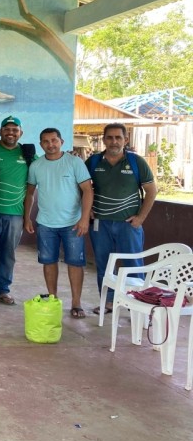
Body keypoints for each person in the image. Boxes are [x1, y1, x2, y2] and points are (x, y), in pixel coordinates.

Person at [85, 123, 157, 314]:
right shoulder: (93, 162)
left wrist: (140, 218)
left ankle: (136, 306)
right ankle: (108, 302)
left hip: (128, 224)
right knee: (104, 265)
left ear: (126, 140)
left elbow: (151, 191)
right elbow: (82, 188)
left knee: (133, 266)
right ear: (104, 140)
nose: (114, 141)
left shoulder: (136, 162)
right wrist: (87, 210)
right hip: (100, 223)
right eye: (110, 137)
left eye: (118, 137)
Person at [25, 128, 93, 318]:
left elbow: (87, 190)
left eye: (54, 140)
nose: (50, 144)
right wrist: (27, 218)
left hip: (73, 224)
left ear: (61, 142)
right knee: (49, 262)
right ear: (41, 145)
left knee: (75, 263)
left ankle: (76, 303)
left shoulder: (74, 162)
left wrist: (84, 218)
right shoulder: (36, 166)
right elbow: (30, 193)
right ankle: (53, 300)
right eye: (46, 141)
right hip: (46, 224)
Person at [0, 115, 35, 308]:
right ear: (0, 131)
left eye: (15, 130)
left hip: (16, 214)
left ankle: (2, 290)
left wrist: (27, 218)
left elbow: (38, 177)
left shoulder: (27, 153)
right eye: (7, 129)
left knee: (8, 254)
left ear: (21, 133)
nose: (11, 133)